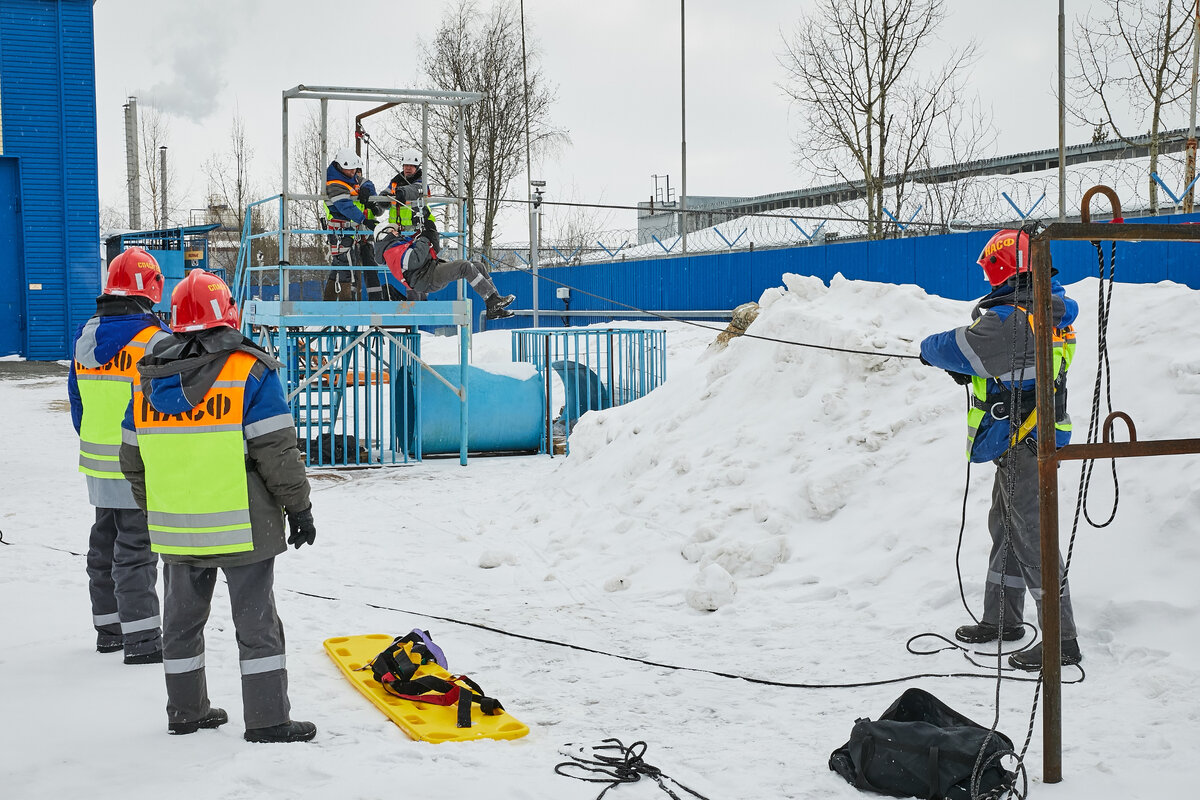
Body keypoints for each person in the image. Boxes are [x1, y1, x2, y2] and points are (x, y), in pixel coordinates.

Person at [119, 269, 318, 741]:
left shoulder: (146, 379)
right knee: (257, 625)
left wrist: (155, 509)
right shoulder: (249, 371)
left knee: (181, 624)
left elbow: (131, 459)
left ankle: (185, 712)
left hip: (176, 527)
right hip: (243, 523)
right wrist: (299, 509)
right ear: (227, 313)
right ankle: (269, 721)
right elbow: (277, 451)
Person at [919, 228, 1082, 671]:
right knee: (1007, 528)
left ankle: (1062, 640)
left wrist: (932, 354)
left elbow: (952, 346)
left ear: (1002, 268)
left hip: (1025, 441)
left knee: (1032, 537)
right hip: (1025, 439)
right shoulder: (1047, 310)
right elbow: (1016, 368)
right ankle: (1003, 621)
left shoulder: (1011, 317)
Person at [68, 247, 170, 665]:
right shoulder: (156, 340)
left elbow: (76, 400)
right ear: (152, 289)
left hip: (97, 460)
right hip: (140, 462)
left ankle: (109, 631)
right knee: (136, 551)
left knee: (104, 546)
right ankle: (143, 641)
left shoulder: (84, 335)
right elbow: (168, 407)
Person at [374, 222, 515, 319]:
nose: (397, 231)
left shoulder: (400, 245)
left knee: (478, 266)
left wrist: (431, 232)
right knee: (464, 266)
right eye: (393, 230)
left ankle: (494, 305)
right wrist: (423, 238)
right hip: (426, 279)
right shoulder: (391, 251)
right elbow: (415, 260)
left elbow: (432, 250)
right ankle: (492, 301)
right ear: (383, 234)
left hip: (430, 271)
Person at [323, 147, 411, 301]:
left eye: (356, 170)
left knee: (359, 266)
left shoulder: (349, 178)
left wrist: (367, 192)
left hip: (359, 232)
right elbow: (345, 206)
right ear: (341, 167)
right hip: (342, 230)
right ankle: (345, 302)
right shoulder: (334, 184)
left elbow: (366, 183)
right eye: (351, 170)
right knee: (345, 266)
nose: (354, 173)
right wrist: (364, 220)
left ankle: (367, 301)